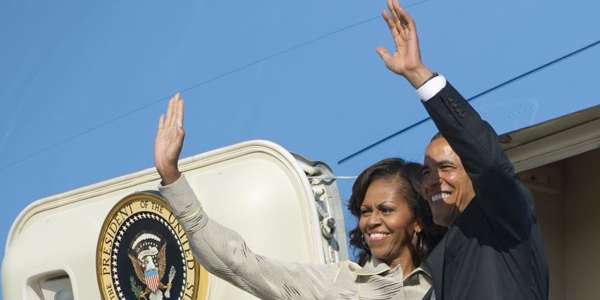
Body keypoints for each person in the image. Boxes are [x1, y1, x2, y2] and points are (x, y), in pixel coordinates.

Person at [154, 93, 443, 299]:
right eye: (365, 211)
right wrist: (171, 176)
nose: (372, 221)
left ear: (417, 219)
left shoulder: (450, 278)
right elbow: (238, 263)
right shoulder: (337, 285)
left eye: (386, 210)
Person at [375, 1, 549, 299]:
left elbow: (489, 162)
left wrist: (419, 76)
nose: (432, 180)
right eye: (427, 172)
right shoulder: (440, 266)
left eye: (446, 168)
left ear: (474, 173)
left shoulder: (504, 219)